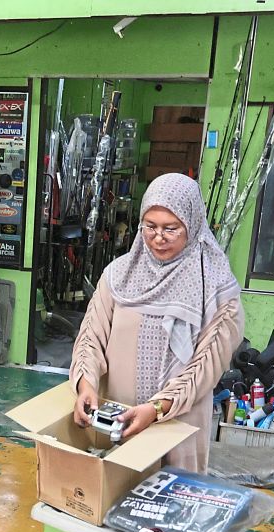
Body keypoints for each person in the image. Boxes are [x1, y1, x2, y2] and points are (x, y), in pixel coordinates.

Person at [70, 173, 244, 473]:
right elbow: (91, 337)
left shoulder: (215, 287)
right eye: (150, 226)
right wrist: (86, 385)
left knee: (168, 496)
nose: (158, 237)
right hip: (118, 423)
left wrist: (156, 408)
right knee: (114, 490)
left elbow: (206, 366)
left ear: (192, 224)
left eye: (171, 228)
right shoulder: (119, 276)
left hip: (177, 426)